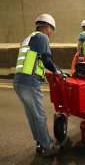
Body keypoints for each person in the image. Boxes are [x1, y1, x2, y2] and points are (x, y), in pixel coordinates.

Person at [13, 14, 66, 157]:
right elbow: (47, 61)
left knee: (33, 116)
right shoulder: (42, 37)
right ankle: (48, 148)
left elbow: (41, 60)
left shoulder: (29, 37)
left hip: (19, 81)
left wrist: (60, 71)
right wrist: (57, 72)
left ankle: (40, 143)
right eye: (52, 31)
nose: (51, 34)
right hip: (30, 82)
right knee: (40, 117)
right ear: (48, 27)